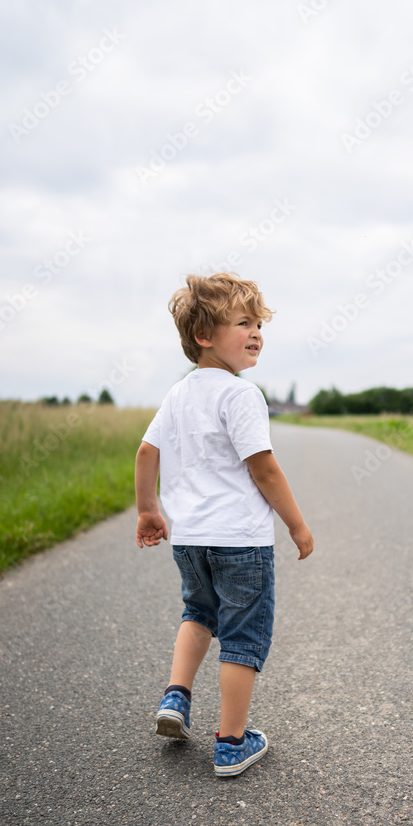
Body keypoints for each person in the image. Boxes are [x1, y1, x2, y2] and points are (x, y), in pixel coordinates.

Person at [135, 273, 313, 777]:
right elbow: (264, 467)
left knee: (198, 612)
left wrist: (149, 509)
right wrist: (297, 526)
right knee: (243, 634)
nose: (256, 332)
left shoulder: (177, 395)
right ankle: (232, 742)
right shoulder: (241, 395)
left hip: (190, 539)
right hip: (240, 542)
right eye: (243, 323)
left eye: (259, 324)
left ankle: (176, 697)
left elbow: (147, 452)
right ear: (204, 336)